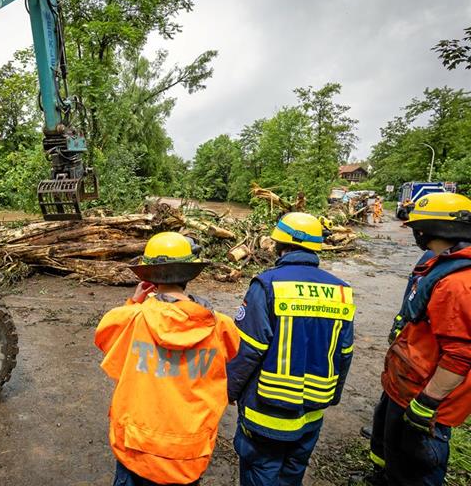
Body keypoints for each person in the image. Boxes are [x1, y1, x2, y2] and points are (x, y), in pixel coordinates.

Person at [95, 231, 240, 486]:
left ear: (149, 275)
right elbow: (232, 350)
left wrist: (134, 301)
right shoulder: (221, 326)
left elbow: (105, 337)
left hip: (136, 449)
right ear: (189, 273)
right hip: (188, 455)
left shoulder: (131, 318)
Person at [226, 212, 356, 485]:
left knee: (260, 474)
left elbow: (248, 349)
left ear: (279, 245)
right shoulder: (341, 291)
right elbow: (345, 353)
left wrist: (229, 390)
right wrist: (333, 396)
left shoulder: (268, 285)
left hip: (267, 411)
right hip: (311, 413)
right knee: (291, 475)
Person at [367, 192, 471, 486]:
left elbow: (461, 354)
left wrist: (427, 403)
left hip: (424, 398)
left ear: (429, 229)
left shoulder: (458, 284)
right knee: (395, 454)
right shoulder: (442, 265)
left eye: (417, 228)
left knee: (417, 468)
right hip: (407, 386)